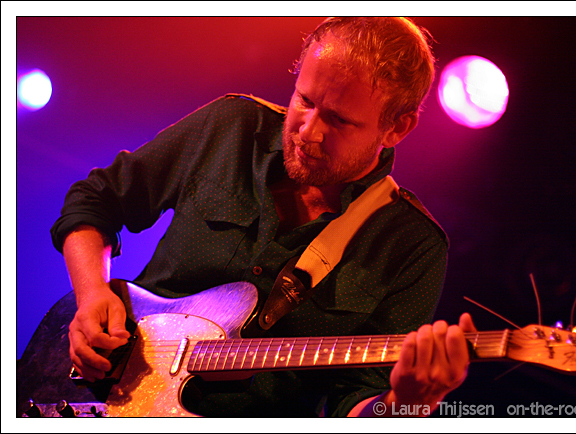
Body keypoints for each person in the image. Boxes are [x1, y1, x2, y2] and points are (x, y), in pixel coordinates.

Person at [51, 17, 475, 417]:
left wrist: (408, 402)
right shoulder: (232, 126)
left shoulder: (413, 246)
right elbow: (96, 200)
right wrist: (92, 296)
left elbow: (358, 403)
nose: (308, 131)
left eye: (339, 120)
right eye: (305, 100)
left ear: (397, 128)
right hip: (86, 395)